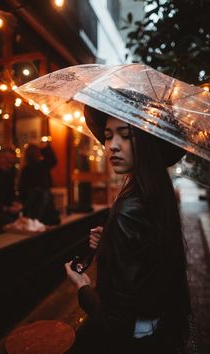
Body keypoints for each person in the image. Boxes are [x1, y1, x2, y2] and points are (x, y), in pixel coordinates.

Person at [65, 105, 191, 354]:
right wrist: (110, 242)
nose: (112, 145)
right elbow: (149, 261)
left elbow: (115, 319)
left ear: (145, 142)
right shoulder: (155, 192)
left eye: (125, 134)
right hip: (157, 328)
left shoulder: (129, 207)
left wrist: (82, 286)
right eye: (109, 135)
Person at [18, 142, 60, 226]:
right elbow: (53, 160)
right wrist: (44, 148)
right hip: (42, 199)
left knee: (35, 222)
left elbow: (22, 187)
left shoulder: (25, 168)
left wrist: (22, 202)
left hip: (32, 200)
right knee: (47, 221)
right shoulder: (41, 165)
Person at [0, 148, 22, 234]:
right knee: (11, 222)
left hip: (3, 208)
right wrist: (6, 208)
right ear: (0, 158)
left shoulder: (8, 173)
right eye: (8, 162)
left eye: (12, 162)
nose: (10, 165)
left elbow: (10, 193)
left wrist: (15, 203)